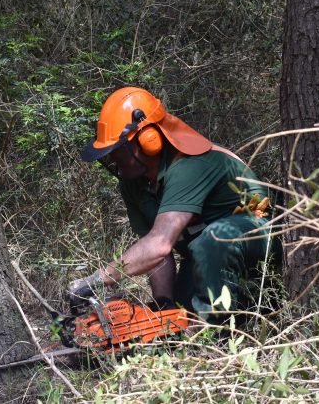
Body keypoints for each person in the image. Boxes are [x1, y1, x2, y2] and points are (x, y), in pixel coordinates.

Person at [69, 87, 279, 321]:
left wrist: (98, 279)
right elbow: (154, 252)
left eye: (118, 151)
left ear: (148, 139)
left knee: (214, 239)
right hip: (206, 259)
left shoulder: (190, 165)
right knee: (180, 316)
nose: (113, 159)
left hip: (259, 246)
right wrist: (164, 306)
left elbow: (159, 244)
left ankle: (218, 334)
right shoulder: (133, 184)